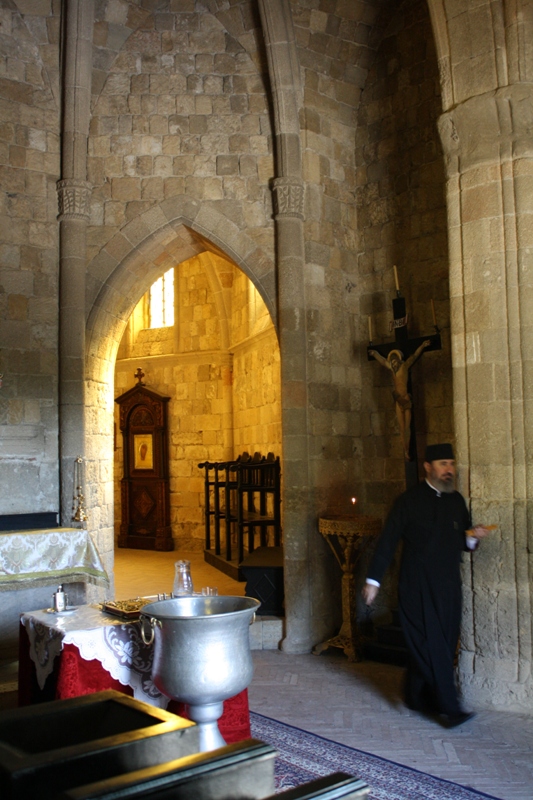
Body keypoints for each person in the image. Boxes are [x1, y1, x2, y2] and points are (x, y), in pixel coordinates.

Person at [362, 443, 491, 727]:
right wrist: (373, 581)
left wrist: (474, 537)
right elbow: (388, 540)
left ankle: (414, 695)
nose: (449, 470)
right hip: (417, 585)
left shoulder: (456, 500)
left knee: (443, 641)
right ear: (428, 467)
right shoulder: (408, 501)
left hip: (448, 585)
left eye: (451, 464)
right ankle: (449, 707)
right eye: (443, 464)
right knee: (433, 645)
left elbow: (463, 540)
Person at [369, 340, 431, 460]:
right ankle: (405, 451)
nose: (393, 363)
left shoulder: (404, 366)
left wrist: (422, 345)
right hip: (398, 401)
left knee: (407, 427)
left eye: (394, 361)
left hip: (406, 399)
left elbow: (414, 356)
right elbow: (382, 361)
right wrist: (375, 353)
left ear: (398, 360)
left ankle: (408, 449)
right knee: (401, 428)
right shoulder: (392, 369)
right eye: (391, 361)